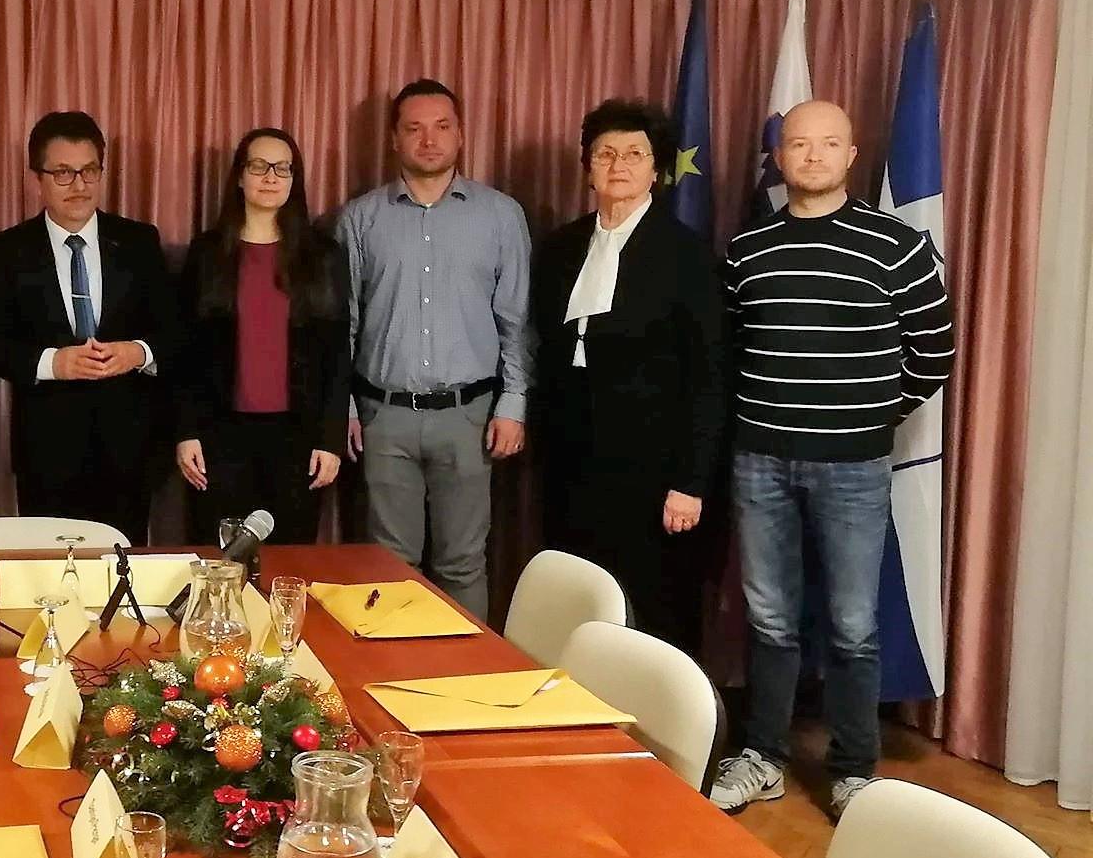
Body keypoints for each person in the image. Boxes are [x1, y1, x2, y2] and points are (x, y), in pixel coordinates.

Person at [710, 99, 955, 818]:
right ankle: (764, 756)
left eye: (828, 144)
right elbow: (730, 351)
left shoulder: (897, 247)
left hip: (853, 466)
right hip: (760, 462)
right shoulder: (747, 250)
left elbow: (934, 350)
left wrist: (870, 415)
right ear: (779, 157)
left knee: (852, 625)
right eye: (798, 144)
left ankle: (853, 769)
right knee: (769, 619)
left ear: (851, 155)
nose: (812, 156)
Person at [529, 99, 726, 654]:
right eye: (605, 154)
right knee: (577, 600)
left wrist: (690, 482)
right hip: (573, 463)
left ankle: (658, 711)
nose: (619, 165)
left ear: (656, 168)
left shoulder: (686, 255)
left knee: (653, 607)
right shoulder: (561, 248)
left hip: (654, 472)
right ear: (588, 167)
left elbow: (709, 376)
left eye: (635, 154)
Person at [339, 79, 531, 621]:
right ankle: (390, 669)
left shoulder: (500, 216)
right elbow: (344, 324)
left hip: (470, 417)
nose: (429, 139)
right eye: (415, 128)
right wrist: (344, 406)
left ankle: (467, 670)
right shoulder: (360, 219)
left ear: (461, 134)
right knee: (387, 564)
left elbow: (516, 320)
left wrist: (514, 403)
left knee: (463, 563)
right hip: (383, 417)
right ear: (394, 139)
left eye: (442, 126)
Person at [0, 111, 180, 542]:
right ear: (37, 179)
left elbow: (173, 330)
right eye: (63, 173)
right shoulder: (6, 250)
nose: (79, 185)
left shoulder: (139, 241)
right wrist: (53, 363)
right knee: (51, 570)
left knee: (121, 568)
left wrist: (137, 353)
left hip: (129, 447)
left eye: (89, 171)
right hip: (47, 450)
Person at [175, 128, 351, 544]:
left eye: (282, 168)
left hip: (298, 439)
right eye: (259, 166)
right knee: (220, 561)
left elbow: (337, 353)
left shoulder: (322, 256)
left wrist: (330, 439)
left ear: (294, 180)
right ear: (239, 176)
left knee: (289, 561)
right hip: (219, 438)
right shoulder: (207, 253)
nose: (271, 177)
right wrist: (186, 431)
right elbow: (184, 352)